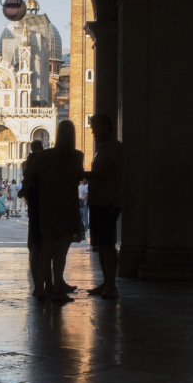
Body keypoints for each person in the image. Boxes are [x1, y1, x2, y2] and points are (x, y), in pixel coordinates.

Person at [36, 120, 84, 301]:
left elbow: (36, 175)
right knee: (61, 251)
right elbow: (78, 177)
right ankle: (57, 289)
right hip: (67, 205)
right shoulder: (77, 156)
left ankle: (40, 288)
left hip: (48, 205)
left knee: (46, 249)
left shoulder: (45, 155)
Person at [83, 113, 125, 299]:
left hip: (108, 201)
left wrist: (87, 175)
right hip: (98, 201)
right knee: (100, 244)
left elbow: (110, 171)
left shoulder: (114, 147)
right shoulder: (102, 148)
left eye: (95, 128)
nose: (93, 132)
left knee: (108, 244)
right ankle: (106, 282)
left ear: (107, 126)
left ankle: (112, 286)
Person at [21, 141, 45, 297]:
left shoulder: (30, 181)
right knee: (46, 250)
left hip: (35, 217)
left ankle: (38, 286)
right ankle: (47, 285)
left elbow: (20, 193)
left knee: (35, 250)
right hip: (45, 216)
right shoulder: (45, 179)